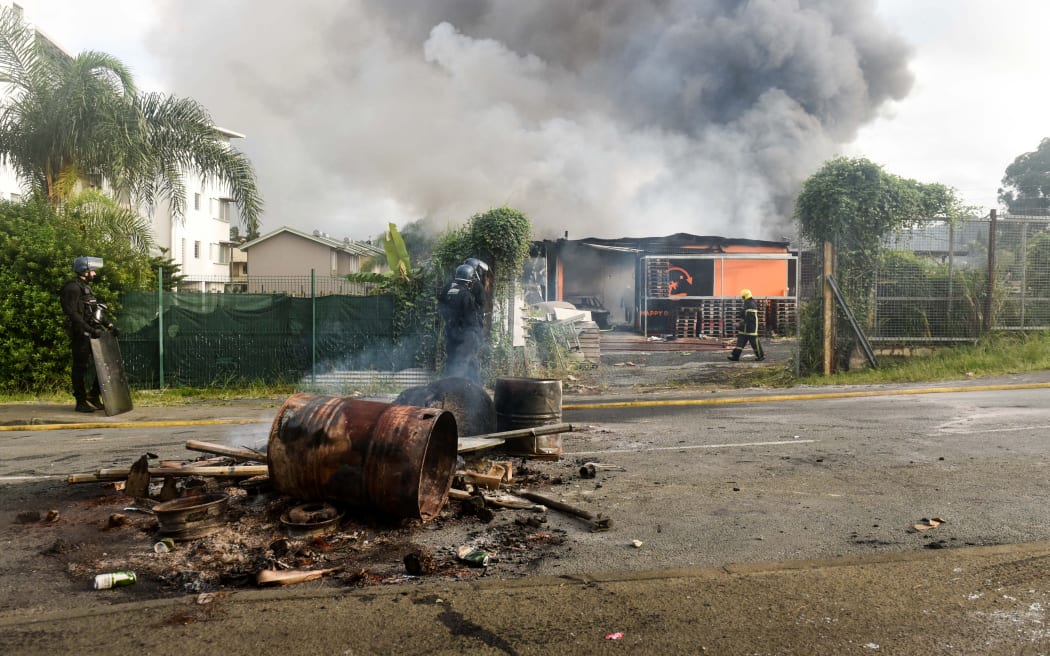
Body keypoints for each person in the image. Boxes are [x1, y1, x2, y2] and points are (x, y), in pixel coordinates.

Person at [60, 256, 117, 412]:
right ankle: (80, 402)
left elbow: (94, 311)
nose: (95, 274)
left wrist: (109, 325)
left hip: (92, 332)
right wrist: (90, 330)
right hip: (80, 334)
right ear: (84, 271)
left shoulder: (85, 287)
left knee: (104, 366)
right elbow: (73, 315)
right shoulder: (72, 288)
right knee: (80, 367)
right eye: (93, 270)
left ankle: (93, 395)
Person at [438, 262, 485, 384]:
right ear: (468, 280)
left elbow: (442, 307)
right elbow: (471, 317)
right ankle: (450, 390)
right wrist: (477, 334)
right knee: (460, 364)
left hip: (452, 332)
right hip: (466, 334)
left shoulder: (449, 290)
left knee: (470, 363)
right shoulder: (466, 294)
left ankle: (476, 389)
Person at [728, 288, 764, 362]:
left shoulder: (750, 304)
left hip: (751, 327)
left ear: (745, 296)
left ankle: (760, 356)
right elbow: (743, 314)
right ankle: (735, 356)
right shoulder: (747, 303)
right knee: (740, 341)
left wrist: (740, 324)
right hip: (745, 327)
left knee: (754, 343)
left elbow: (749, 318)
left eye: (742, 296)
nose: (742, 298)